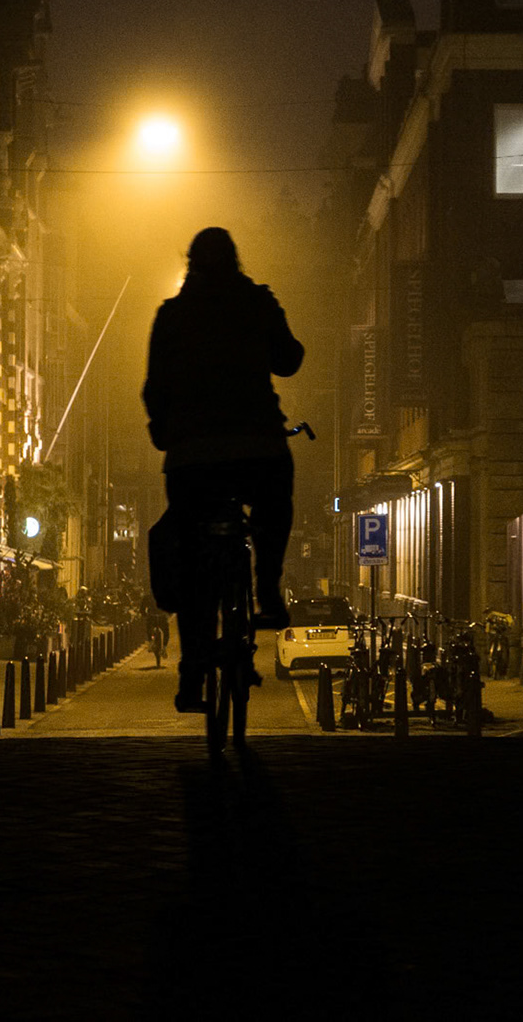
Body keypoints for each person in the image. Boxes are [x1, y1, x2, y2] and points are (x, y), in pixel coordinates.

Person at [142, 227, 304, 713]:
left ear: (190, 263)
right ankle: (267, 588)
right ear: (236, 260)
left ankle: (192, 675)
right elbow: (289, 360)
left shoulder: (171, 315)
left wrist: (163, 431)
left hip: (192, 456)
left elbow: (154, 387)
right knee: (275, 498)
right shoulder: (257, 301)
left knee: (194, 560)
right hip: (256, 445)